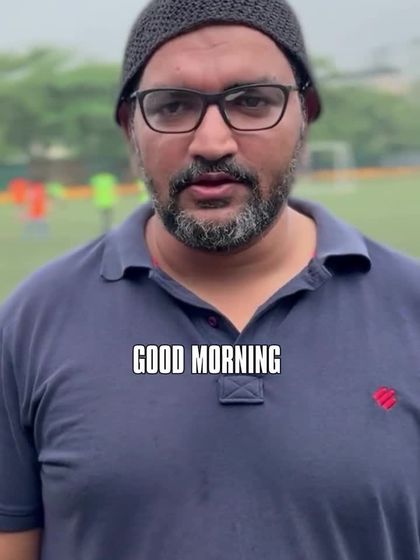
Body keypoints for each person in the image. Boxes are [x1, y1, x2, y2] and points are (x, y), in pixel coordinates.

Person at [1, 1, 420, 559]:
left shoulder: (410, 308)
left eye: (252, 101)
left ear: (305, 113)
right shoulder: (31, 323)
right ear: (130, 127)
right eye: (173, 106)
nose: (212, 142)